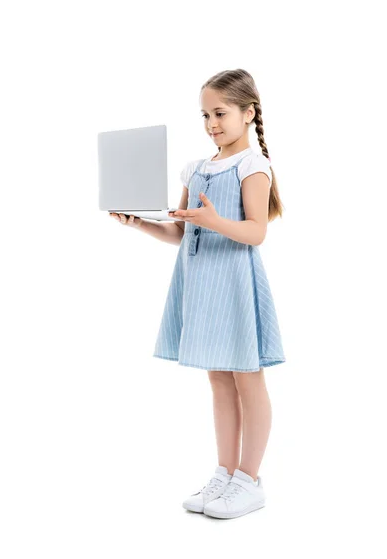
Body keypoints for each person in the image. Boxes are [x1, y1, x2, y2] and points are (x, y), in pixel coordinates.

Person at [110, 68, 286, 520]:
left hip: (232, 280)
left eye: (221, 113)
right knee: (218, 378)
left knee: (247, 376)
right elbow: (181, 233)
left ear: (249, 113)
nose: (212, 123)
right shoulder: (197, 168)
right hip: (199, 282)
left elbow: (255, 231)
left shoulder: (254, 165)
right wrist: (143, 223)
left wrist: (211, 221)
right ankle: (225, 473)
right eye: (205, 114)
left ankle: (249, 479)